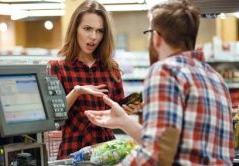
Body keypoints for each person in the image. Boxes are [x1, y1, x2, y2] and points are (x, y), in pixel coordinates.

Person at [85, 0, 234, 165]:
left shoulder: (166, 71)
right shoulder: (216, 78)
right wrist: (124, 121)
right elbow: (173, 142)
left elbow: (156, 153)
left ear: (155, 37)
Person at [48, 0, 140, 159]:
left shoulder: (111, 68)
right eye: (87, 29)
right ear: (75, 29)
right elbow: (54, 117)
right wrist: (77, 91)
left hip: (107, 151)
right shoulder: (57, 68)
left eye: (100, 31)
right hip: (73, 152)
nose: (93, 37)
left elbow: (116, 110)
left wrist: (127, 110)